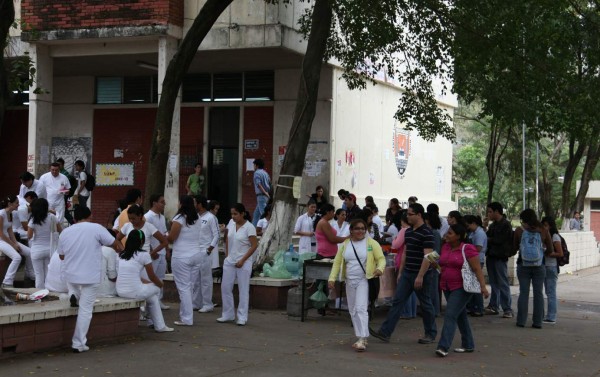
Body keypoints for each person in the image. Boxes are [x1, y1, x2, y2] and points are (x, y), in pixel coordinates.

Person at [58, 206, 123, 353]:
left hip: (71, 275)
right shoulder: (96, 228)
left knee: (74, 289)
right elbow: (114, 244)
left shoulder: (65, 232)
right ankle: (78, 343)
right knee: (85, 310)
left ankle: (73, 294)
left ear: (74, 219)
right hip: (90, 276)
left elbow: (61, 256)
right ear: (90, 216)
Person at [370, 203, 437, 344]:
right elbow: (405, 252)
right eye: (407, 214)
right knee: (397, 302)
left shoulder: (427, 232)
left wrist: (420, 276)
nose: (408, 217)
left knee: (426, 304)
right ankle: (385, 332)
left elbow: (429, 257)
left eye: (410, 214)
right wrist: (401, 271)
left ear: (419, 215)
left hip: (422, 274)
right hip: (407, 273)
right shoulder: (408, 232)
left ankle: (430, 333)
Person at [329, 219, 386, 352]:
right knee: (353, 310)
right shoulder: (345, 244)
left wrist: (380, 269)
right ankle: (360, 336)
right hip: (349, 281)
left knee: (361, 309)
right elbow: (337, 262)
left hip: (364, 280)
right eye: (357, 228)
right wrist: (332, 278)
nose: (360, 231)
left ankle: (363, 338)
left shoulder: (371, 243)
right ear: (351, 230)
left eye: (363, 228)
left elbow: (381, 259)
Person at [435, 224, 489, 357]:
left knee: (450, 314)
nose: (446, 235)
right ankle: (468, 344)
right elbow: (442, 265)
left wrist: (483, 287)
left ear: (459, 236)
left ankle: (443, 346)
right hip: (447, 285)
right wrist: (435, 264)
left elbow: (477, 269)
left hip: (462, 287)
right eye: (447, 233)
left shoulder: (468, 249)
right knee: (460, 315)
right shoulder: (446, 247)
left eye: (450, 233)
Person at [116, 229, 174, 333]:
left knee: (152, 298)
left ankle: (159, 325)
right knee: (156, 289)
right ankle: (152, 318)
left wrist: (146, 282)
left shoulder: (121, 254)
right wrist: (161, 284)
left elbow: (133, 275)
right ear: (142, 242)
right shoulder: (144, 254)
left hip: (120, 291)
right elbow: (152, 277)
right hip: (134, 292)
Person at [218, 203, 257, 326]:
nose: (233, 216)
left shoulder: (249, 227)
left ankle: (242, 316)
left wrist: (243, 260)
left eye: (235, 214)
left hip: (244, 262)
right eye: (232, 214)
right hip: (230, 261)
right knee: (225, 287)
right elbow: (228, 239)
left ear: (242, 214)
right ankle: (228, 314)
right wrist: (228, 255)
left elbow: (254, 245)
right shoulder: (231, 223)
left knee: (243, 289)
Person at [514, 209, 554, 329]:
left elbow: (515, 247)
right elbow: (551, 250)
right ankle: (537, 322)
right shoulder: (543, 230)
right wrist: (541, 251)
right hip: (539, 266)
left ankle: (521, 321)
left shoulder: (519, 231)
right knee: (538, 294)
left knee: (523, 293)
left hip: (523, 265)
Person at [167, 196, 201, 326]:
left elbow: (171, 238)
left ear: (181, 204)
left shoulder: (180, 218)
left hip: (182, 256)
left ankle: (187, 318)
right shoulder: (197, 218)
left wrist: (165, 235)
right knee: (190, 287)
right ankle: (185, 316)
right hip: (196, 255)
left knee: (184, 288)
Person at [485, 202, 514, 318]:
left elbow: (500, 240)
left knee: (502, 282)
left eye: (490, 211)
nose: (489, 214)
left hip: (500, 257)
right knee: (493, 283)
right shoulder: (492, 226)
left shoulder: (506, 225)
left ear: (497, 211)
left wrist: (489, 239)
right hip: (491, 256)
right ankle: (494, 305)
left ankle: (507, 308)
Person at [192, 195, 220, 313]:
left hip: (205, 252)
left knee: (206, 279)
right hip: (195, 252)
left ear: (200, 204)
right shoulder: (195, 217)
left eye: (195, 203)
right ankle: (196, 303)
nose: (193, 205)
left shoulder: (211, 218)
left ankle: (207, 304)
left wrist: (209, 249)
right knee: (195, 279)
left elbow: (216, 235)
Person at [27, 198, 62, 289]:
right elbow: (60, 231)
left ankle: (39, 295)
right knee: (48, 273)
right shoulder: (52, 217)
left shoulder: (33, 220)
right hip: (50, 250)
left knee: (38, 275)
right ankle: (49, 293)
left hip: (36, 250)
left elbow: (29, 236)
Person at [0, 195, 34, 288]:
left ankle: (30, 274)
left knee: (29, 252)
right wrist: (13, 245)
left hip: (8, 239)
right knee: (17, 257)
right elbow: (1, 234)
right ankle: (7, 282)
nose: (18, 205)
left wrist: (15, 243)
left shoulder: (10, 214)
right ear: (10, 204)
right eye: (16, 203)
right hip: (1, 241)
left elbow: (10, 231)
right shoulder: (1, 214)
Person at [144, 194, 170, 309]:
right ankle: (148, 303)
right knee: (151, 277)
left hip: (162, 252)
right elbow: (146, 236)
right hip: (153, 253)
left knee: (160, 277)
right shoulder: (148, 217)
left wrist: (167, 249)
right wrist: (152, 251)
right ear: (154, 203)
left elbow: (164, 235)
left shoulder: (162, 217)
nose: (164, 204)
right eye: (162, 202)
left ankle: (158, 301)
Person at [391, 211, 417, 318]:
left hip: (403, 260)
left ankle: (406, 312)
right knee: (412, 290)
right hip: (412, 261)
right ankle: (412, 312)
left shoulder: (404, 230)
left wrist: (394, 239)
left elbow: (396, 245)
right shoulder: (414, 230)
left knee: (404, 288)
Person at [540, 216, 564, 325]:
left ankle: (551, 316)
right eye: (543, 225)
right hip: (545, 266)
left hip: (551, 266)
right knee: (548, 292)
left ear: (550, 226)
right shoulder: (545, 236)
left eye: (546, 225)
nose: (545, 227)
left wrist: (549, 253)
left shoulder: (554, 237)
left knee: (551, 292)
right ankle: (548, 315)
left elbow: (560, 253)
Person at [464, 215, 487, 317]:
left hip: (477, 259)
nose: (467, 227)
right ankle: (473, 306)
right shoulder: (473, 233)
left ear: (473, 223)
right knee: (472, 283)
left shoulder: (479, 233)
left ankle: (478, 307)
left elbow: (478, 248)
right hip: (472, 259)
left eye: (468, 225)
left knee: (476, 284)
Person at [252, 159, 271, 226]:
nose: (253, 167)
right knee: (256, 215)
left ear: (257, 165)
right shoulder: (265, 173)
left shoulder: (256, 173)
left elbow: (259, 184)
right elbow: (269, 183)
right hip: (266, 196)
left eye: (254, 165)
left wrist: (265, 192)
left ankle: (269, 228)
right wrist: (267, 193)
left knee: (264, 214)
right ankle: (253, 229)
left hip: (261, 196)